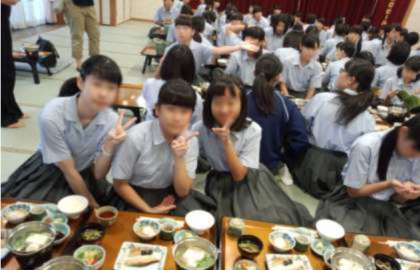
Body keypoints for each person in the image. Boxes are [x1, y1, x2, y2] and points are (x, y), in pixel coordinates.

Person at [2, 55, 136, 207]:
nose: (103, 94)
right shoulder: (52, 114)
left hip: (85, 174)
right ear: (81, 82)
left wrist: (109, 145)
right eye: (97, 84)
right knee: (38, 213)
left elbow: (98, 174)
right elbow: (69, 171)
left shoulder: (112, 120)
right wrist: (93, 206)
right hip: (49, 171)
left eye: (111, 88)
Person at [192, 74, 312, 226]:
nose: (224, 110)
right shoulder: (201, 128)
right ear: (209, 104)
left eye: (231, 103)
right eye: (218, 103)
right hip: (219, 181)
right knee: (225, 224)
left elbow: (239, 175)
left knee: (272, 218)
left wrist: (226, 142)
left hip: (250, 178)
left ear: (242, 104)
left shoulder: (253, 130)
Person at [110, 79, 214, 214]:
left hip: (171, 193)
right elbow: (119, 183)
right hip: (134, 193)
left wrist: (179, 158)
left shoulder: (190, 139)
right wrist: (148, 209)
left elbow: (183, 192)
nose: (177, 118)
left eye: (184, 111)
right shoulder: (136, 137)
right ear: (158, 109)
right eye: (171, 109)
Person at [316, 115, 420, 239]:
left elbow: (396, 200)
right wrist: (389, 184)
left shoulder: (416, 157)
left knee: (406, 243)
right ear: (403, 132)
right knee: (351, 239)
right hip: (349, 201)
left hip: (385, 206)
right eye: (416, 149)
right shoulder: (366, 145)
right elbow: (353, 191)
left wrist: (405, 195)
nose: (416, 156)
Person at [290, 59, 376, 198]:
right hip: (336, 178)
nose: (339, 73)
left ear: (351, 80)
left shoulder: (323, 99)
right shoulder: (367, 118)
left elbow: (301, 127)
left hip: (307, 166)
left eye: (342, 71)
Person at [247, 54, 308, 172]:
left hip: (239, 165)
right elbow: (300, 140)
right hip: (271, 168)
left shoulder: (240, 100)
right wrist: (283, 158)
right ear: (278, 77)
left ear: (254, 72)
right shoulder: (286, 105)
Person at [165, 15, 259, 76]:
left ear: (193, 31)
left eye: (185, 28)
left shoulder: (199, 47)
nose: (181, 32)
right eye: (178, 28)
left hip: (192, 80)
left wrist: (239, 46)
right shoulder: (169, 49)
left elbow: (218, 50)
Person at [140, 44, 203, 124]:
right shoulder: (196, 98)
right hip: (180, 135)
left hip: (149, 128)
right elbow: (196, 124)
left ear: (166, 63)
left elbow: (144, 104)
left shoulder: (149, 84)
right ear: (191, 69)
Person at [1, 0, 25, 128]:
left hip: (3, 22)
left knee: (9, 70)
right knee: (3, 73)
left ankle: (13, 110)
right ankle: (5, 117)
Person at [281, 34, 322, 99]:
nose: (310, 52)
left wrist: (305, 103)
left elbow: (311, 89)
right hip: (288, 90)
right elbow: (282, 83)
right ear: (301, 46)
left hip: (303, 93)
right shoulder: (288, 61)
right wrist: (287, 98)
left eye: (314, 49)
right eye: (308, 48)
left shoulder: (317, 67)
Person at [63, 0, 100, 70]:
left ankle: (94, 60)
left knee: (95, 34)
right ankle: (79, 64)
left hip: (89, 5)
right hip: (73, 5)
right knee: (77, 36)